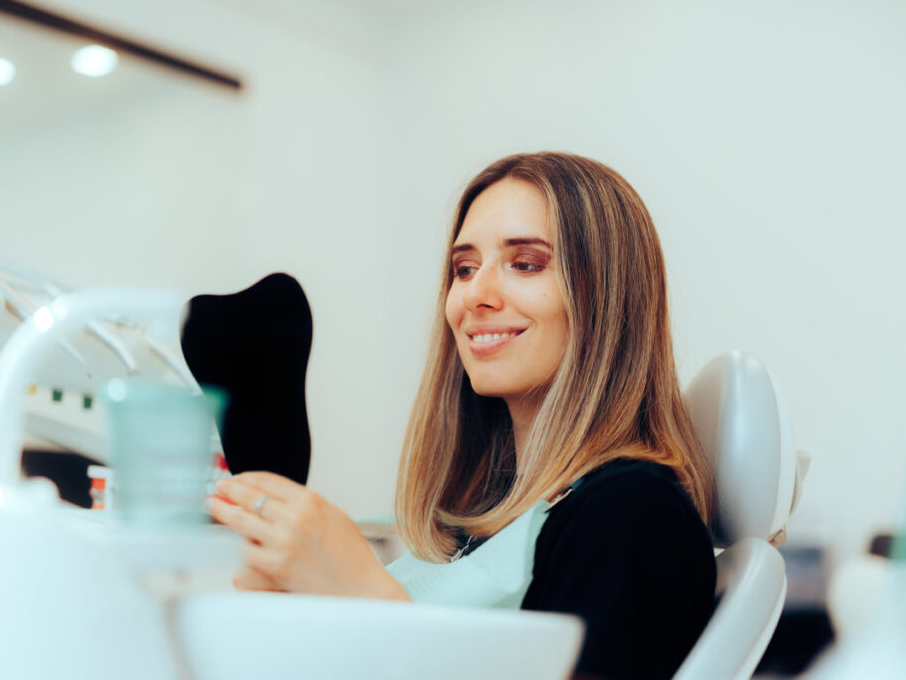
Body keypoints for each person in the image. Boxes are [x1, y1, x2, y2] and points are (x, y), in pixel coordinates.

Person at [208, 152, 717, 679]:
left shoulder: (633, 513)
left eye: (526, 263)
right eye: (464, 269)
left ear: (609, 296)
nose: (474, 294)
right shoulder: (488, 521)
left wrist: (367, 598)